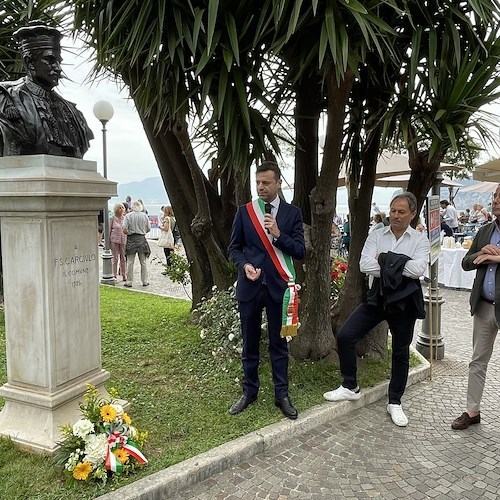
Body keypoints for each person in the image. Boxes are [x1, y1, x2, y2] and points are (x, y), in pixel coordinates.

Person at [323, 192, 430, 427]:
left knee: (400, 352)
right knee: (345, 335)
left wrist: (384, 260)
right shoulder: (377, 234)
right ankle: (350, 385)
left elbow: (419, 269)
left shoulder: (419, 240)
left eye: (402, 212)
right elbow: (364, 264)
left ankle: (395, 402)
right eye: (393, 211)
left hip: (404, 302)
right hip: (378, 296)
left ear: (412, 214)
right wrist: (398, 264)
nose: (395, 216)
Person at [228, 161, 305, 420]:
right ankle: (249, 391)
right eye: (258, 182)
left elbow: (300, 251)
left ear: (278, 183)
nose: (260, 187)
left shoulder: (292, 214)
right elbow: (234, 249)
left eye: (266, 183)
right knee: (250, 344)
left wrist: (278, 234)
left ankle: (281, 394)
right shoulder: (245, 212)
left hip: (279, 289)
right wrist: (245, 265)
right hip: (250, 288)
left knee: (278, 345)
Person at [0, 25, 93, 157]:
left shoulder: (72, 111)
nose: (58, 68)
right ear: (30, 62)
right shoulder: (7, 99)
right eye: (50, 60)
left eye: (59, 61)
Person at [451, 184, 500, 430]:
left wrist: (498, 257)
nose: (496, 200)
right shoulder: (485, 230)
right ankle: (472, 411)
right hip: (483, 306)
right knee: (477, 361)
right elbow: (466, 262)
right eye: (495, 196)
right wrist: (481, 252)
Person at [122, 201, 151, 287]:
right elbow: (148, 228)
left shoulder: (128, 216)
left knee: (130, 261)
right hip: (142, 239)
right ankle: (145, 281)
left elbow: (124, 229)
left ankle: (129, 281)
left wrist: (129, 232)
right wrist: (142, 232)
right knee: (143, 261)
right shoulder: (145, 216)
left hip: (131, 239)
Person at [109, 203, 127, 281]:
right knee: (115, 258)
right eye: (120, 208)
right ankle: (114, 275)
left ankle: (124, 274)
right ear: (116, 209)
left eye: (122, 208)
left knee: (123, 257)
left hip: (123, 240)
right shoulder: (112, 218)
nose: (122, 209)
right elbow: (109, 230)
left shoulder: (125, 218)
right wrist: (108, 243)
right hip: (114, 239)